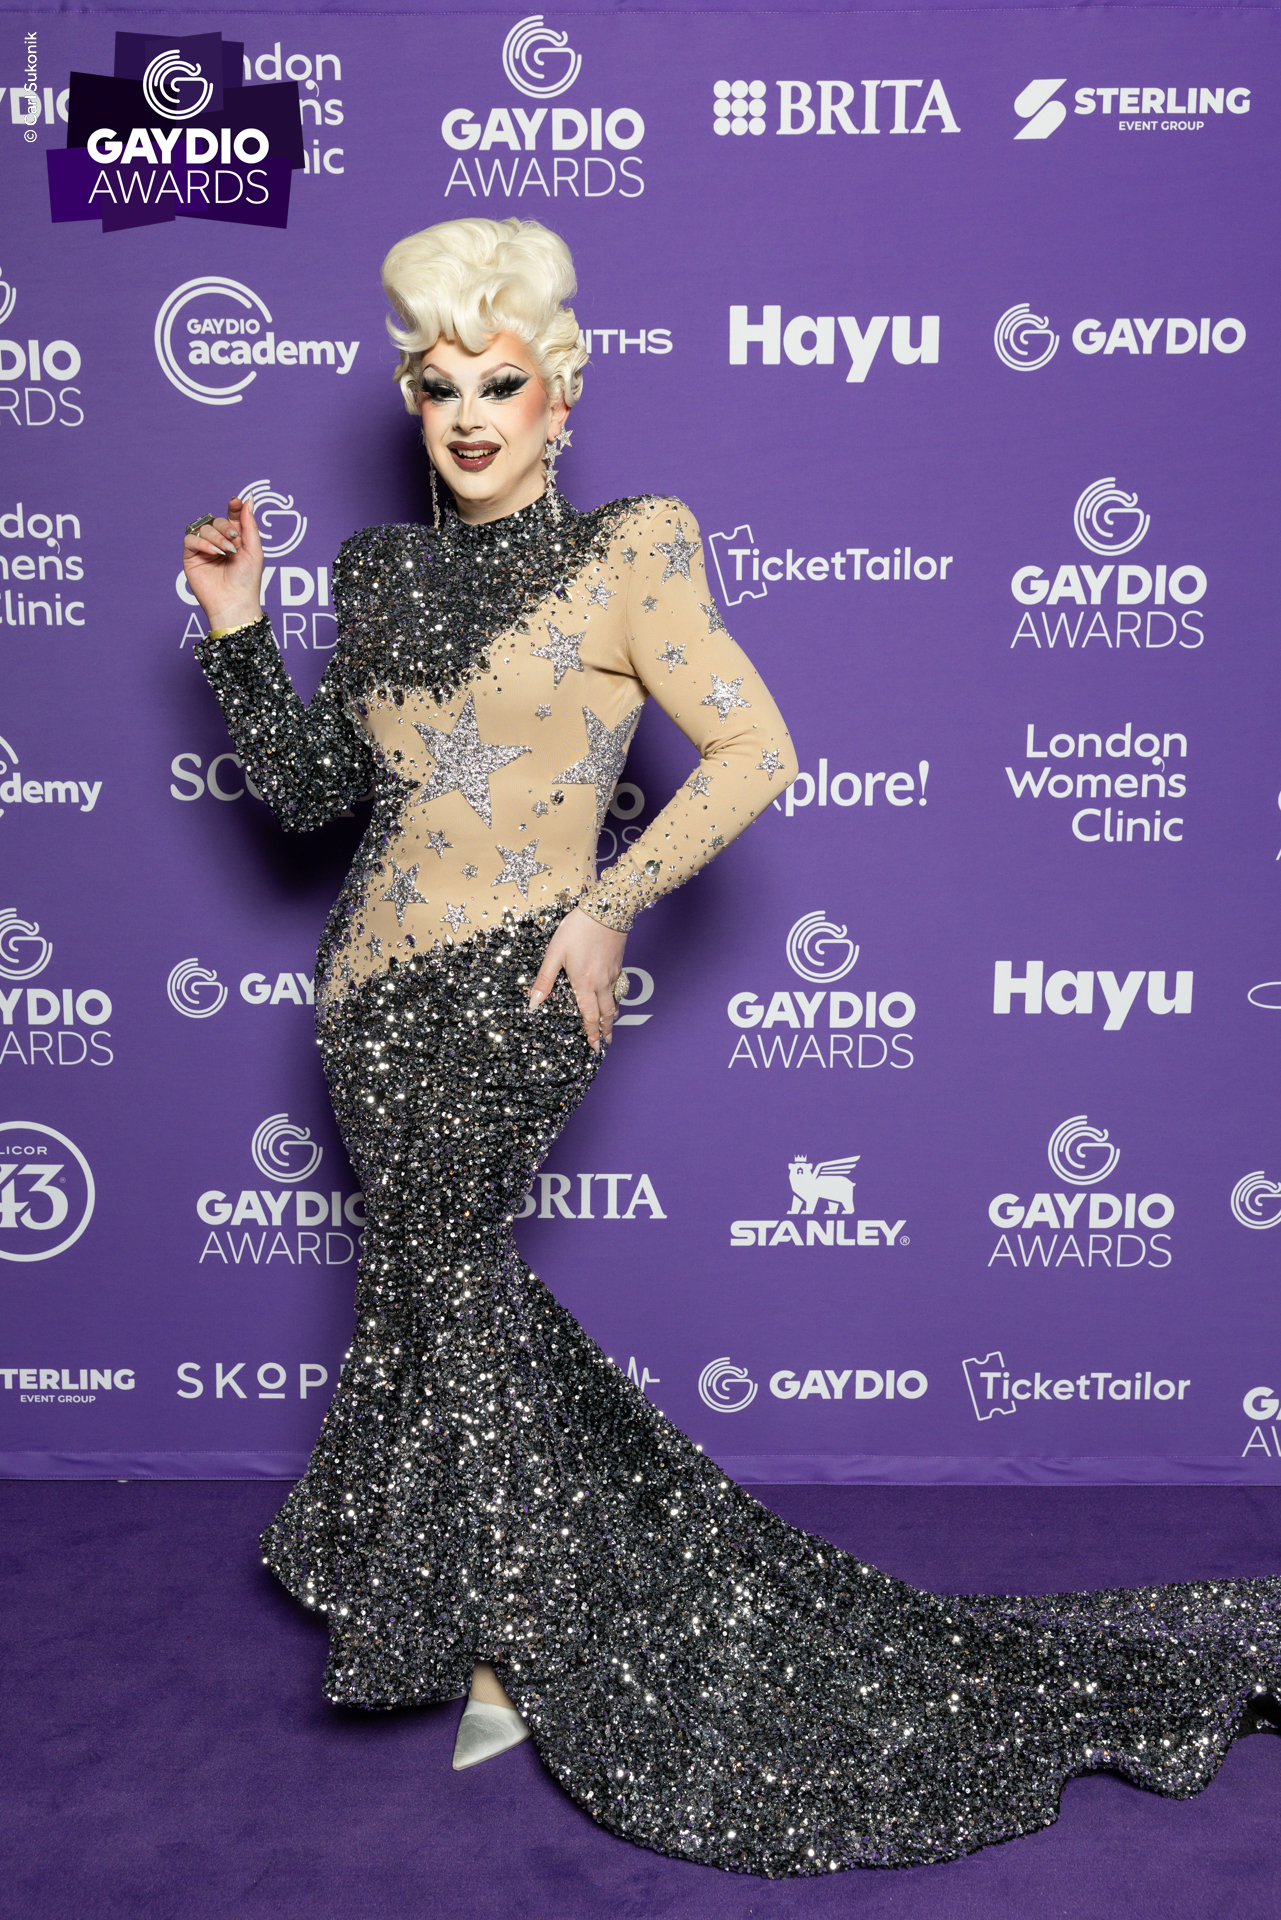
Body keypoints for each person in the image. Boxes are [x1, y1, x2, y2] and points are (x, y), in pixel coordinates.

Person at [183, 216, 1280, 1878]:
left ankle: (520, 1651)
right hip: (365, 999)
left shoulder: (632, 547)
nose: (469, 416)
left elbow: (755, 749)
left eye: (502, 384)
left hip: (510, 990)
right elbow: (309, 797)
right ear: (410, 401)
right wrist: (236, 626)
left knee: (445, 1279)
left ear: (559, 396)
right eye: (439, 388)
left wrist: (609, 903)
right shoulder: (378, 571)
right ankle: (485, 1621)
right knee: (426, 1293)